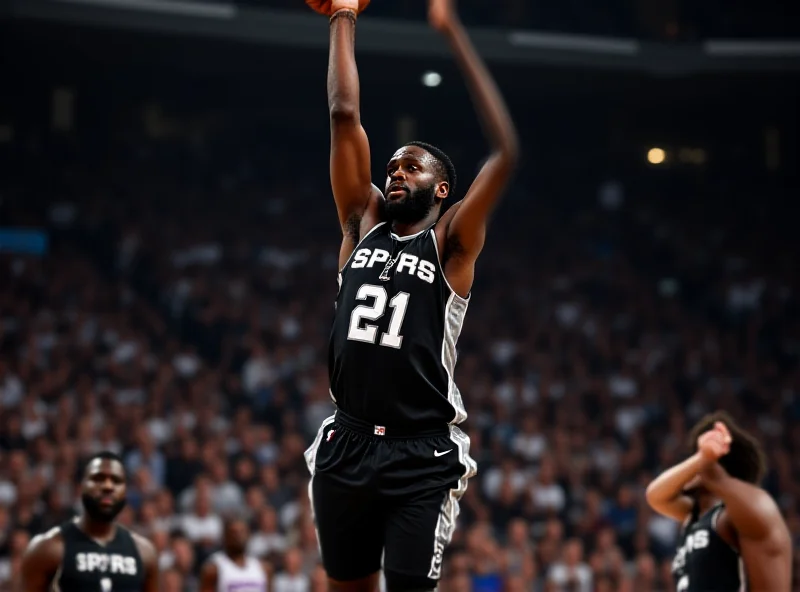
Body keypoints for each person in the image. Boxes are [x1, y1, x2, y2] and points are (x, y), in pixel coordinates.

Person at [303, 0, 519, 590]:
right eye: (393, 165)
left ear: (442, 188)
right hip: (346, 439)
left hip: (420, 455)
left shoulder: (451, 244)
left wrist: (454, 36)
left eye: (412, 167)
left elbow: (505, 153)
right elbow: (344, 115)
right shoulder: (359, 222)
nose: (396, 171)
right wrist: (342, 16)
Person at [645, 412, 791, 591]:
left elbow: (762, 504)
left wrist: (709, 466)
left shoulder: (729, 516)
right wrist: (701, 459)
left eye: (696, 456)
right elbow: (655, 495)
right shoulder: (693, 516)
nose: (688, 467)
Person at [21, 451, 158, 591]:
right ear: (81, 487)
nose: (108, 486)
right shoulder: (49, 548)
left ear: (125, 491)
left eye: (116, 481)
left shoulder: (144, 553)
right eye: (98, 478)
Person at [199, 516, 270, 592]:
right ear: (225, 537)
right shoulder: (213, 569)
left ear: (249, 535)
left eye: (242, 532)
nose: (238, 536)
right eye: (234, 533)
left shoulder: (263, 568)